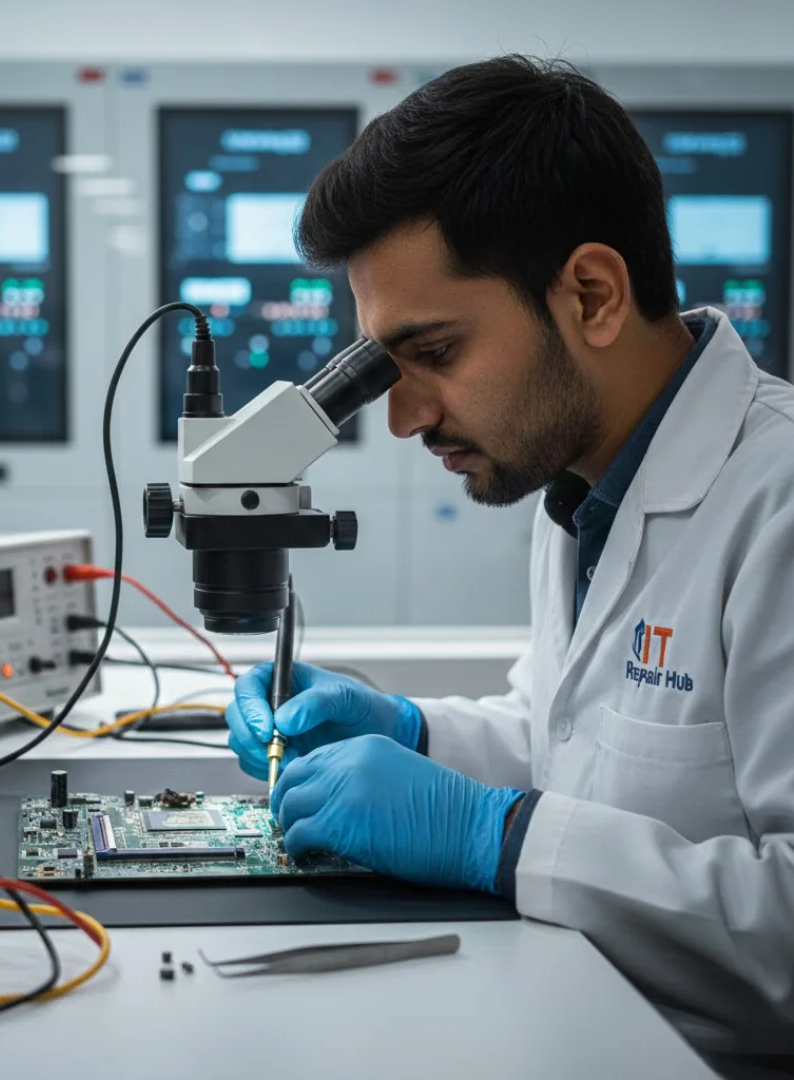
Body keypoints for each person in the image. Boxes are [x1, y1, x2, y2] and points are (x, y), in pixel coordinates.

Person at [225, 56, 794, 1078]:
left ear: (591, 294)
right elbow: (566, 741)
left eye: (433, 353)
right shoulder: (582, 482)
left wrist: (497, 837)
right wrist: (410, 729)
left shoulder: (779, 504)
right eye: (384, 369)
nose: (402, 417)